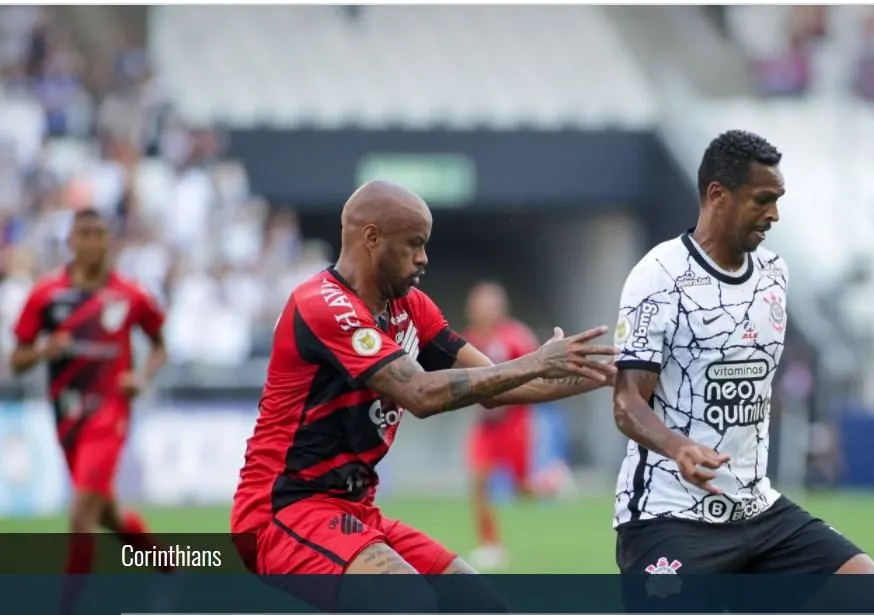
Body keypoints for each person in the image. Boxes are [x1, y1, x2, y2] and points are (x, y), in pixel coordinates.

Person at [230, 180, 615, 612]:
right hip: (282, 513)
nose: (423, 258)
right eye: (413, 244)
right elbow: (418, 393)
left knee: (482, 606)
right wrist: (536, 361)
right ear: (372, 237)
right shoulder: (322, 304)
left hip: (353, 512)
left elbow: (498, 384)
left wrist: (614, 372)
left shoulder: (410, 308)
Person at [611, 131, 874, 612]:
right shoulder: (659, 275)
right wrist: (678, 446)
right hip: (670, 518)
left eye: (778, 200)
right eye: (763, 200)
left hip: (758, 511)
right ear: (717, 196)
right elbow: (626, 403)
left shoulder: (774, 273)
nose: (774, 214)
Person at [9, 208, 172, 614]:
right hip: (67, 417)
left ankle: (67, 607)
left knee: (81, 513)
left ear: (109, 240)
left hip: (110, 413)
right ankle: (170, 565)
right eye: (84, 234)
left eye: (99, 234)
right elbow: (16, 360)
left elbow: (159, 344)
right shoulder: (47, 295)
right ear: (71, 241)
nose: (92, 242)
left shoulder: (131, 295)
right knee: (107, 513)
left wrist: (141, 377)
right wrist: (43, 350)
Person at [461, 280, 546, 571]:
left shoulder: (516, 337)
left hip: (516, 422)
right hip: (486, 426)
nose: (482, 308)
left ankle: (553, 483)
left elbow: (537, 374)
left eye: (489, 303)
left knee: (522, 489)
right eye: (478, 302)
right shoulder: (469, 340)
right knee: (478, 484)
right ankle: (490, 545)